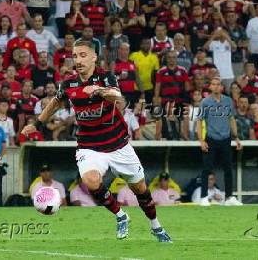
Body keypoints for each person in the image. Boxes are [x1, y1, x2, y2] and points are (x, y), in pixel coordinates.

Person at [23, 40, 172, 242]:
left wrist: (99, 90)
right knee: (91, 182)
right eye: (75, 56)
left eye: (83, 55)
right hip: (89, 146)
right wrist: (38, 124)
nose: (78, 60)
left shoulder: (105, 77)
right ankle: (121, 216)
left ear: (94, 57)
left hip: (118, 144)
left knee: (140, 189)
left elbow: (117, 95)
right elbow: (56, 102)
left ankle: (156, 226)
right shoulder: (69, 84)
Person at [196, 77, 243, 207]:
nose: (216, 86)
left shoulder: (228, 101)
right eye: (214, 84)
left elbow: (231, 119)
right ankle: (203, 197)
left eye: (218, 84)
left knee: (228, 168)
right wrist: (201, 141)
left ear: (222, 87)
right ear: (210, 86)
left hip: (226, 139)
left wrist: (236, 137)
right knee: (206, 169)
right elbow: (199, 121)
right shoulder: (205, 102)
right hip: (211, 138)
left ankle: (229, 197)